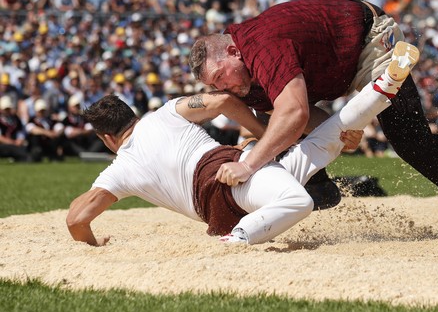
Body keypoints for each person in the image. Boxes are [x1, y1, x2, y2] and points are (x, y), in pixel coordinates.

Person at [188, 0, 438, 238]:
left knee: (410, 141)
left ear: (233, 51)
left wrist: (247, 166)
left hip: (367, 39)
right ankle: (320, 192)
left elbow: (294, 112)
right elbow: (296, 118)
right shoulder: (244, 77)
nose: (226, 87)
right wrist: (339, 132)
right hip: (333, 67)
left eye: (221, 77)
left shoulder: (262, 47)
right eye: (216, 85)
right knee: (273, 135)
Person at [66, 62, 409, 246]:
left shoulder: (119, 169)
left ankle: (382, 89)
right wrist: (263, 137)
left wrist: (94, 244)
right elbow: (225, 101)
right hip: (234, 177)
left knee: (310, 169)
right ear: (133, 115)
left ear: (108, 137)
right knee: (314, 165)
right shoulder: (167, 111)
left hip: (231, 185)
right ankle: (381, 88)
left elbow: (76, 219)